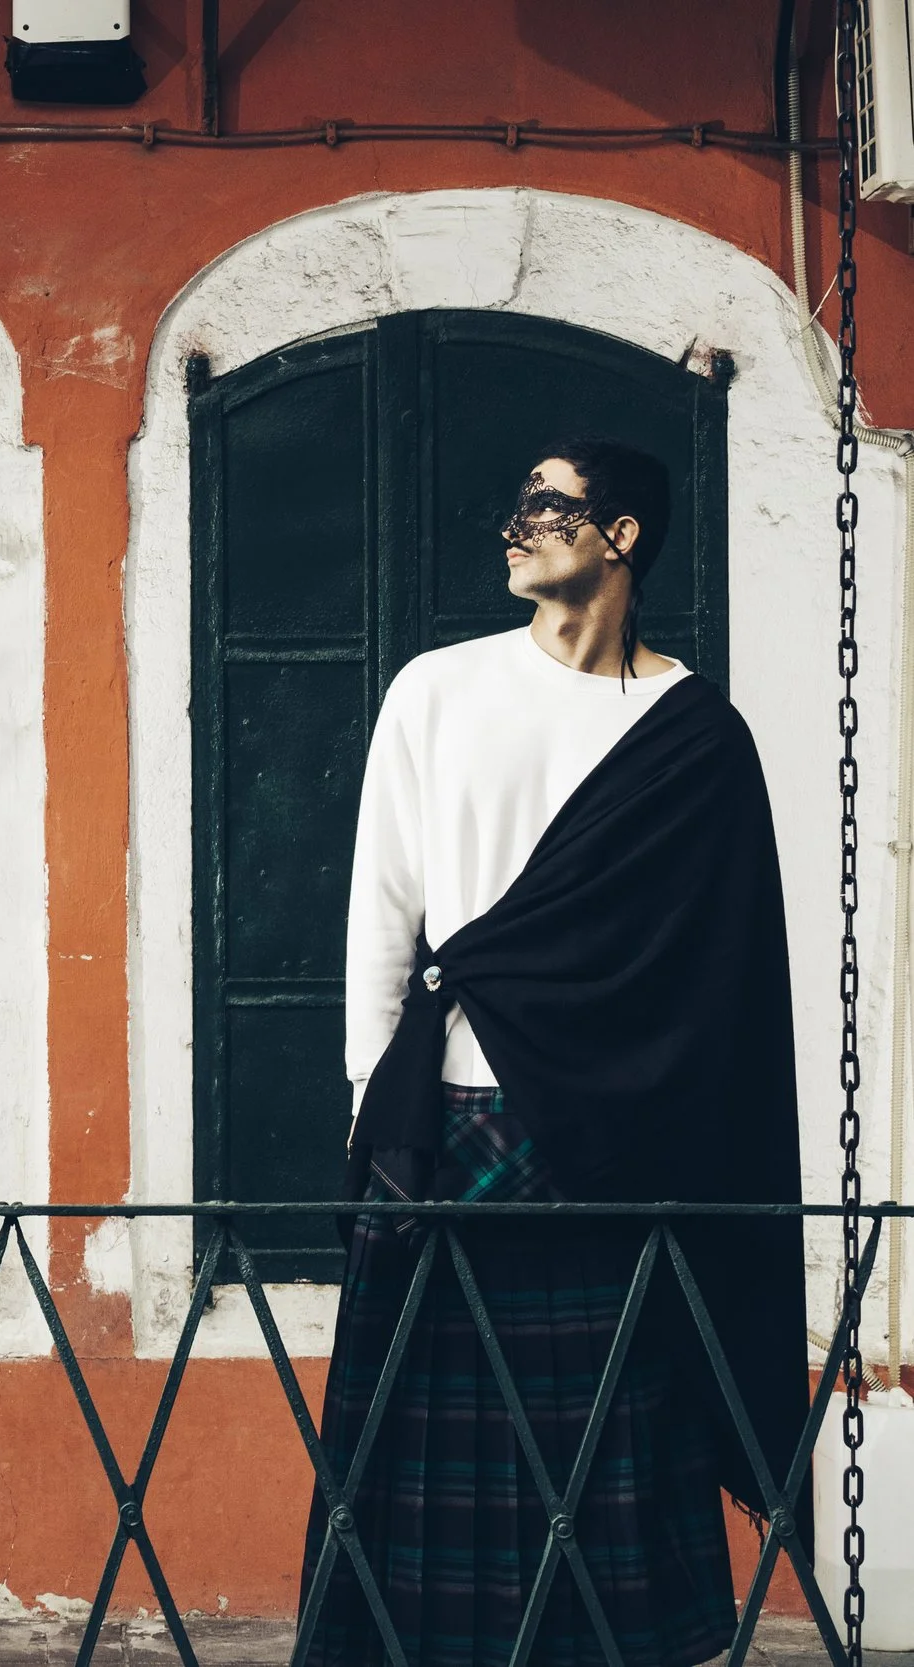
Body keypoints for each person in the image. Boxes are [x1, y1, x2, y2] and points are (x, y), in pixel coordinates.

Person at [300, 438, 808, 1667]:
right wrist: (377, 1104)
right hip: (447, 1119)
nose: (513, 527)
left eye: (545, 504)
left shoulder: (693, 732)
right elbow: (384, 904)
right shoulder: (438, 685)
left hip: (608, 1141)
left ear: (621, 533)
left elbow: (717, 970)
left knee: (603, 1463)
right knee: (415, 1476)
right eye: (515, 503)